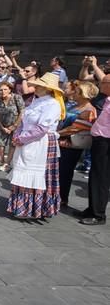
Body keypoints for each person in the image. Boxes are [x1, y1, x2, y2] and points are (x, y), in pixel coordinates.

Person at [7, 73, 64, 219]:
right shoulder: (35, 101)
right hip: (28, 139)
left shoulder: (52, 104)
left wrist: (22, 138)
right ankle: (21, 207)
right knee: (23, 170)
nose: (36, 87)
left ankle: (34, 208)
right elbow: (24, 120)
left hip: (41, 142)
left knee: (37, 174)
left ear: (48, 89)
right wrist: (17, 134)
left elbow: (42, 128)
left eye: (40, 86)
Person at [58, 81, 98, 209]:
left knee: (65, 171)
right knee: (59, 171)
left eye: (77, 91)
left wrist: (55, 133)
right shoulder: (74, 106)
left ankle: (62, 198)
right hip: (61, 141)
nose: (74, 93)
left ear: (84, 94)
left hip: (72, 144)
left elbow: (76, 128)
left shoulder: (89, 110)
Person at [81, 75, 110, 225]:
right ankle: (92, 209)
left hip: (106, 142)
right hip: (99, 141)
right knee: (95, 175)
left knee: (102, 178)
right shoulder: (107, 101)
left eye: (103, 83)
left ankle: (99, 214)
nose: (100, 85)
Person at [0, 81, 25, 171]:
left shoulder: (16, 97)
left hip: (15, 126)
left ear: (10, 90)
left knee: (12, 144)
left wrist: (14, 126)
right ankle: (0, 161)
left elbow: (22, 112)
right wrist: (1, 127)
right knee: (0, 144)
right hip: (2, 125)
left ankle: (7, 163)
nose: (3, 92)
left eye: (5, 89)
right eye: (0, 90)